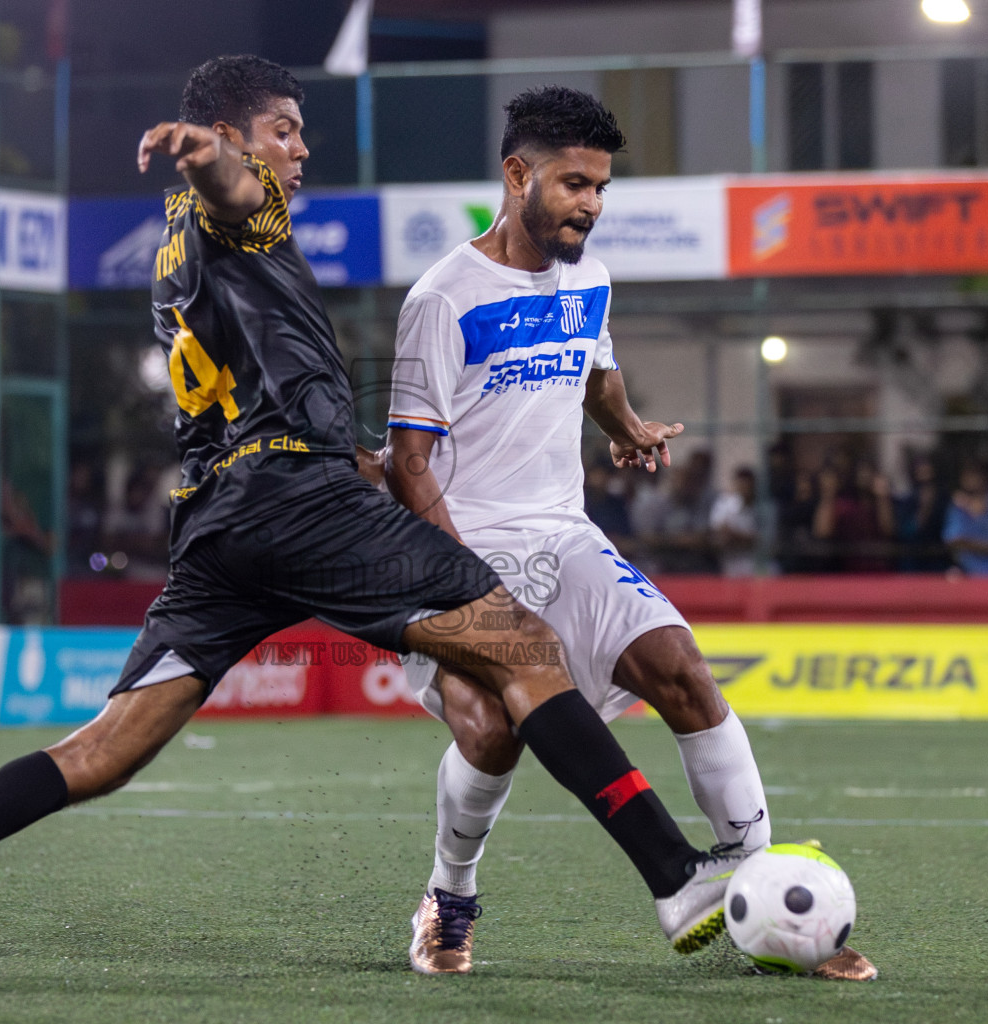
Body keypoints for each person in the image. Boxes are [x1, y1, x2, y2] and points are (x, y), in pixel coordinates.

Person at [0, 56, 737, 977]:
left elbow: (256, 400)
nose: (299, 150)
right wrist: (214, 159)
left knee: (100, 751)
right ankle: (677, 878)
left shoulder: (173, 253)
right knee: (526, 647)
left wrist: (344, 456)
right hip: (299, 506)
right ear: (234, 136)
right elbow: (240, 188)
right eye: (284, 131)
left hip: (223, 524)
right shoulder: (246, 210)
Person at [382, 86, 873, 981]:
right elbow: (409, 466)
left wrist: (626, 425)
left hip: (565, 535)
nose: (592, 205)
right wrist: (458, 582)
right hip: (456, 554)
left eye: (602, 187)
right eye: (575, 184)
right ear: (517, 174)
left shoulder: (591, 278)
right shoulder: (442, 300)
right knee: (489, 730)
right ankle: (450, 893)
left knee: (681, 668)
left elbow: (595, 369)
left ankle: (754, 881)